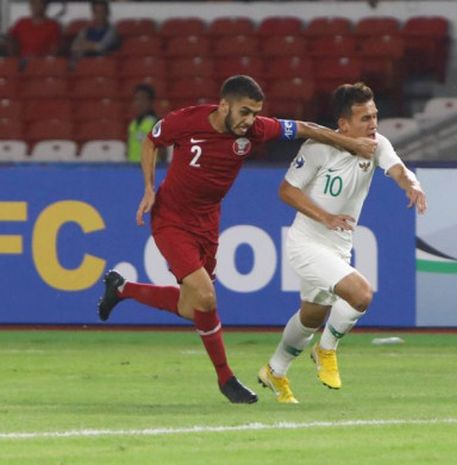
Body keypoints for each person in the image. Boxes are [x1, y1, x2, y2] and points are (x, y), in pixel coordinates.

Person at [97, 75, 377, 405]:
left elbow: (304, 128)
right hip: (171, 219)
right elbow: (150, 141)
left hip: (207, 224)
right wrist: (147, 187)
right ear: (225, 105)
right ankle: (226, 378)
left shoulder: (255, 129)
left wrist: (349, 143)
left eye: (255, 113)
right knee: (206, 297)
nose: (250, 121)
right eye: (244, 112)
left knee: (192, 306)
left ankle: (121, 288)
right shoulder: (187, 121)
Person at [256, 82, 427, 404]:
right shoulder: (318, 148)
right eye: (365, 118)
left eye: (375, 116)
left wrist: (411, 185)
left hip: (338, 247)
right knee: (360, 294)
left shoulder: (378, 145)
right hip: (306, 243)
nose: (373, 124)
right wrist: (325, 217)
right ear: (344, 124)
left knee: (311, 317)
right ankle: (326, 350)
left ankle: (275, 370)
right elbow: (286, 191)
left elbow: (398, 169)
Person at [127, 83, 164, 163]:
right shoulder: (132, 124)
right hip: (132, 170)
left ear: (150, 102)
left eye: (143, 99)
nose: (139, 103)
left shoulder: (156, 123)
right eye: (137, 99)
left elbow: (162, 155)